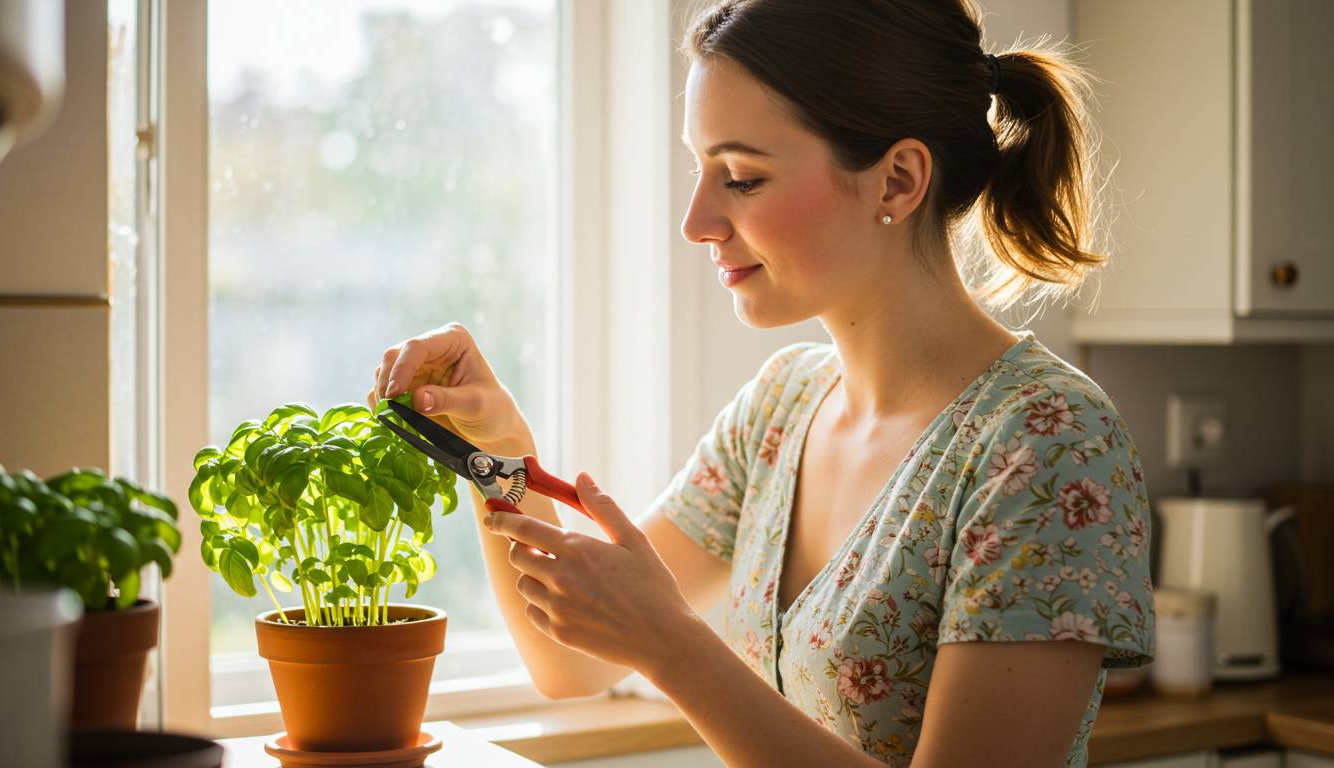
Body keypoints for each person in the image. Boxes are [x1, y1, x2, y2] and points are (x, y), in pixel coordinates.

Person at [367, 0, 1154, 764]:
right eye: (699, 169)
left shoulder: (1048, 441)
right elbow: (565, 662)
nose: (696, 221)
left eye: (740, 177)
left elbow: (648, 641)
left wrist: (671, 644)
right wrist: (494, 454)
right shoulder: (781, 407)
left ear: (897, 181)